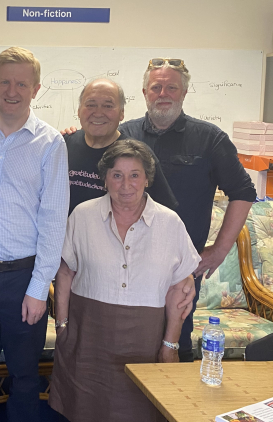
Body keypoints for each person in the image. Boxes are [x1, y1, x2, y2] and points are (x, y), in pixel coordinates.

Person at [49, 139, 200, 422]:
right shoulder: (82, 216)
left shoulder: (170, 223)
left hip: (145, 340)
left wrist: (170, 345)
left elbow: (180, 289)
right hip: (87, 337)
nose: (125, 184)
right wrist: (62, 325)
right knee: (84, 408)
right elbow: (66, 272)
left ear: (147, 180)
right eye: (117, 175)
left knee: (139, 410)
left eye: (134, 175)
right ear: (105, 178)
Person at [0, 47, 69, 422]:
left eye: (22, 83)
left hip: (23, 279)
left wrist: (40, 289)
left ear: (36, 89)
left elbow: (54, 220)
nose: (12, 90)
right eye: (5, 81)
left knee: (23, 377)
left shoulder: (51, 143)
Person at [120, 58, 257, 362]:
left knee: (173, 345)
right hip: (127, 263)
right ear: (144, 92)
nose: (163, 93)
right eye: (156, 87)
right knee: (128, 346)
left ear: (184, 93)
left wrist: (219, 251)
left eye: (172, 87)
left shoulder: (210, 139)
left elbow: (244, 192)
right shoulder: (122, 135)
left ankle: (172, 407)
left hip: (180, 267)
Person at [66, 77, 177, 213]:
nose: (98, 113)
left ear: (122, 113)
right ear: (78, 110)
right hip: (65, 233)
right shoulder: (63, 145)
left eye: (108, 106)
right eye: (90, 105)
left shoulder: (138, 155)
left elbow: (164, 211)